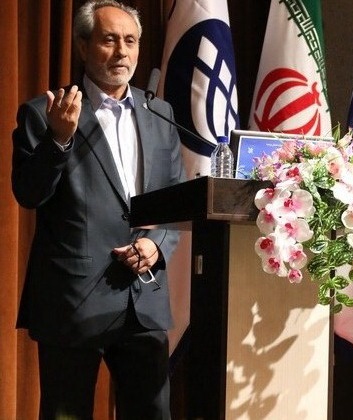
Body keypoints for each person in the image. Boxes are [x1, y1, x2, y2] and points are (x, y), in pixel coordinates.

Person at [12, 0, 185, 418]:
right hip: (73, 301)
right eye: (109, 39)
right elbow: (29, 194)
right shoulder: (45, 112)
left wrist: (156, 244)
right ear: (83, 46)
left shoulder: (160, 113)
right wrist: (58, 140)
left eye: (130, 41)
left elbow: (177, 198)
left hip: (143, 299)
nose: (122, 51)